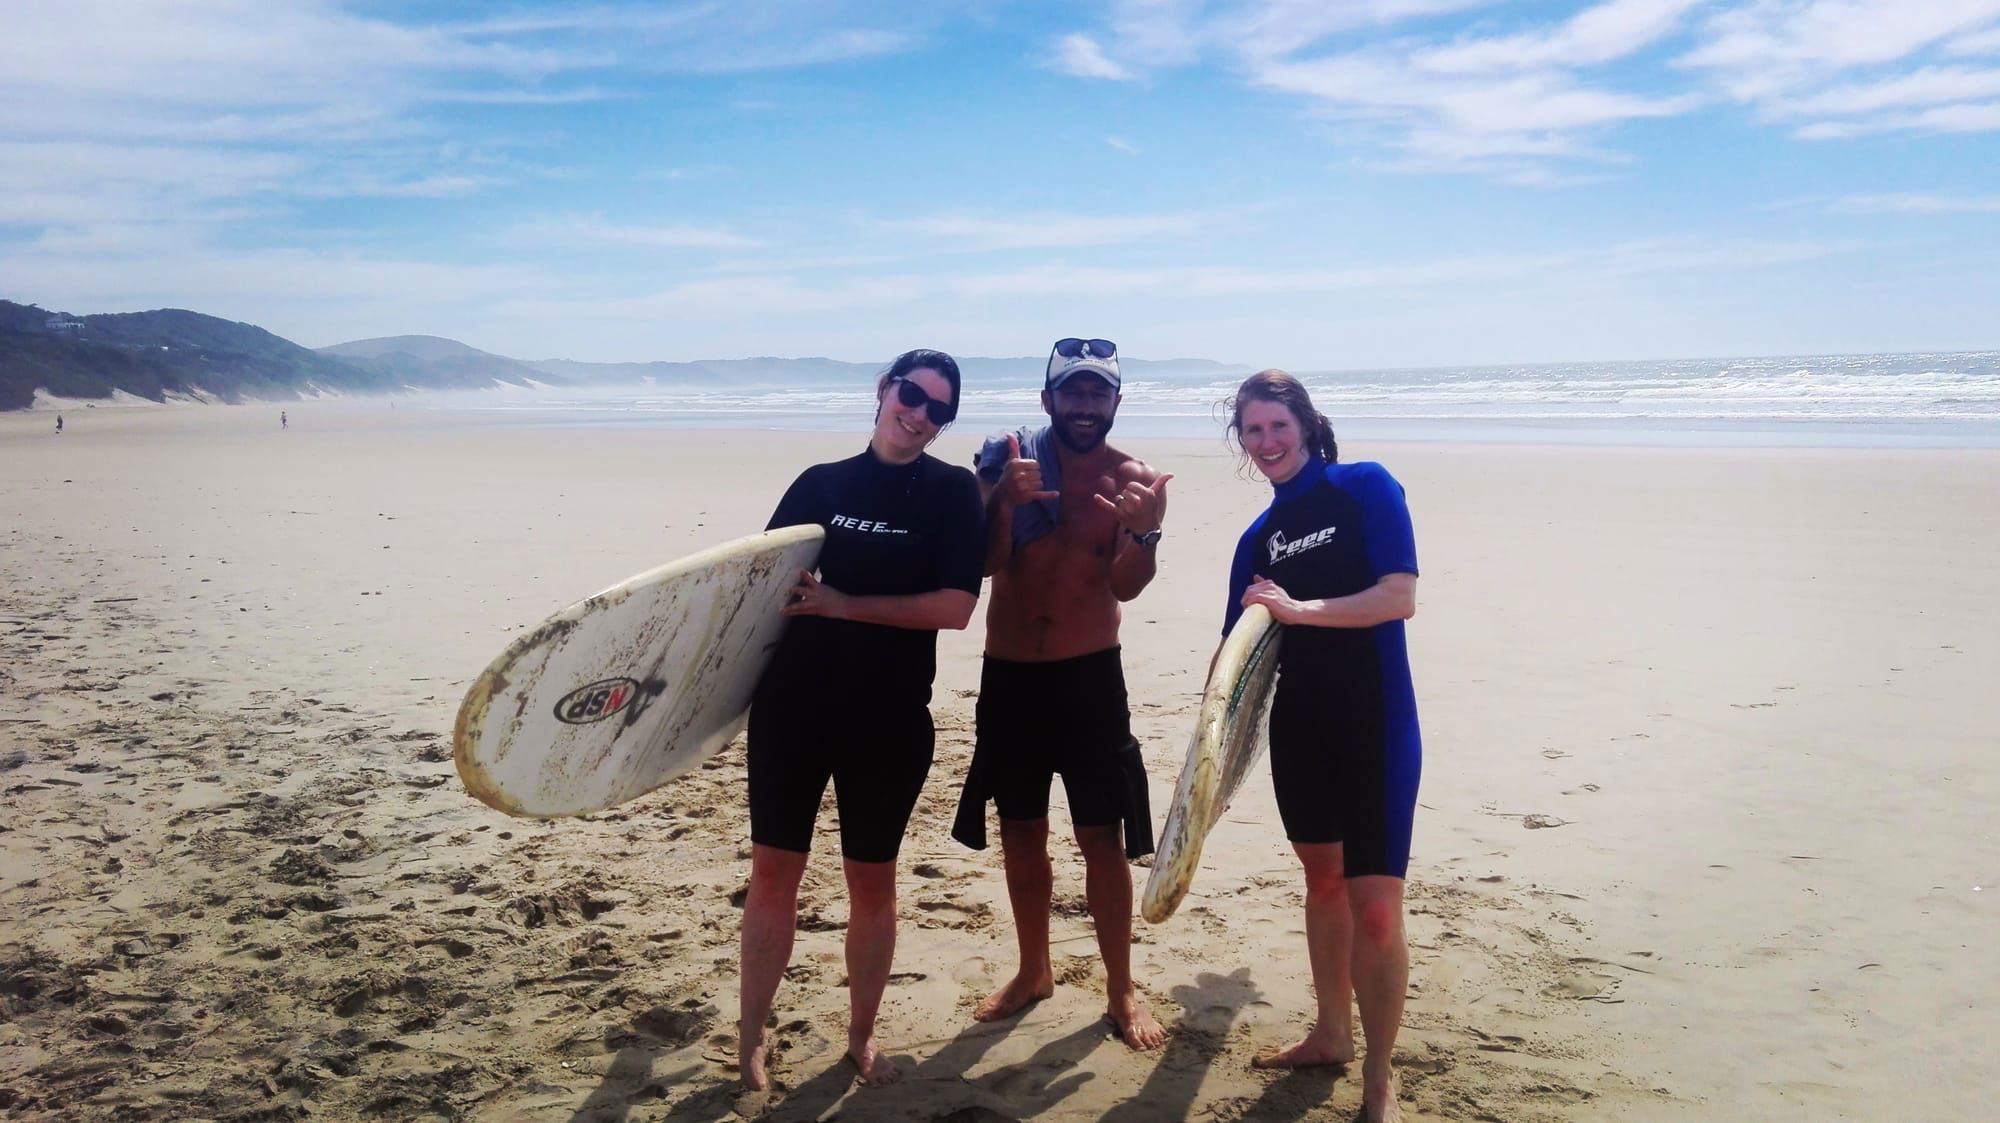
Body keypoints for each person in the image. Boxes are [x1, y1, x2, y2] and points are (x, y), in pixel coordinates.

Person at [738, 349, 985, 1090]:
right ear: (885, 389)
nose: (920, 415)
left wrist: (845, 604)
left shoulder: (951, 493)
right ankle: (751, 1036)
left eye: (939, 409)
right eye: (913, 395)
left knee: (871, 881)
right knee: (773, 871)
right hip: (793, 710)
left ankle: (861, 1033)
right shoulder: (821, 483)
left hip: (887, 718)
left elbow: (957, 606)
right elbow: (759, 588)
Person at [952, 336, 1172, 1050]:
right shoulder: (1009, 458)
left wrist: (1144, 532)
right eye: (1071, 392)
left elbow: (1124, 587)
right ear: (1048, 398)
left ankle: (1120, 986)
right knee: (1020, 828)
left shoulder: (1130, 476)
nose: (1084, 405)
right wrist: (1004, 506)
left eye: (1097, 393)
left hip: (1087, 678)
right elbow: (980, 568)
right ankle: (1033, 969)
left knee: (1100, 838)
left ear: (1115, 401)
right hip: (1010, 674)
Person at [1220, 370, 1420, 1123]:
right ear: (1242, 441)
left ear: (1305, 424)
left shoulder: (1365, 489)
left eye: (1278, 425)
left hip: (1377, 725)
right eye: (1253, 430)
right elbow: (1235, 667)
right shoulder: (1256, 542)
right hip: (1300, 730)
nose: (1267, 441)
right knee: (1324, 885)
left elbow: (1398, 595)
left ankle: (1379, 1075)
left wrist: (1297, 610)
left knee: (1376, 910)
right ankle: (1331, 1032)